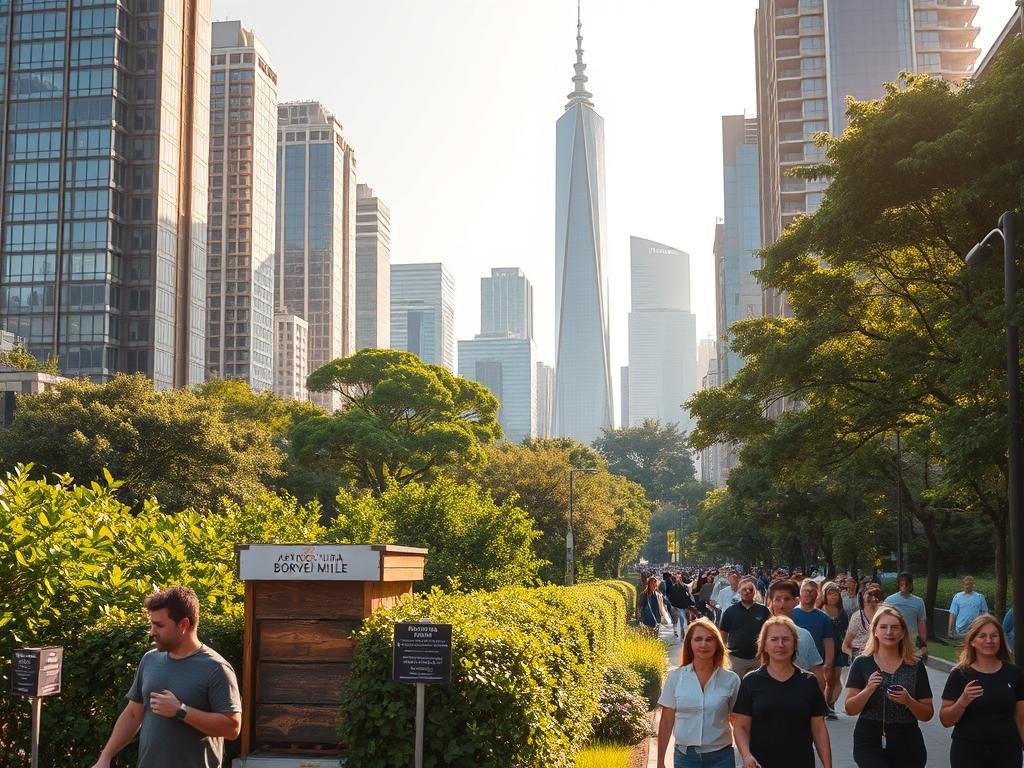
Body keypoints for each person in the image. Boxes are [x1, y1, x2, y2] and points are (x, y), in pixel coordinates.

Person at [91, 586, 242, 768]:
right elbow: (132, 714)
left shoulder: (216, 669)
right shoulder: (150, 660)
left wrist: (181, 711)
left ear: (184, 625)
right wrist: (105, 757)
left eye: (159, 625)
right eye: (152, 624)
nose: (152, 632)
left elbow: (232, 728)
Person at [732, 616, 832, 768]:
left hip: (801, 763)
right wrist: (746, 756)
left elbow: (818, 729)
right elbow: (741, 727)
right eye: (774, 639)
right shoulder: (751, 681)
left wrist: (827, 765)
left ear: (794, 644)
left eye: (786, 639)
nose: (780, 644)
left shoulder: (808, 681)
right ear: (764, 645)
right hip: (760, 764)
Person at [844, 605, 933, 768]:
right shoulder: (862, 663)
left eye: (894, 627)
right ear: (875, 631)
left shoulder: (915, 666)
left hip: (907, 737)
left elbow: (927, 714)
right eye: (883, 627)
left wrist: (908, 701)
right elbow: (850, 708)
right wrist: (868, 689)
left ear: (903, 632)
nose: (889, 632)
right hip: (870, 736)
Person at [940, 614, 1024, 767]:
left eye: (994, 636)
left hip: (1007, 752)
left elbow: (1021, 718)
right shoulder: (960, 674)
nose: (989, 641)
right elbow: (946, 720)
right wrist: (963, 701)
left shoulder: (1014, 674)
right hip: (968, 752)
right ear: (972, 641)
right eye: (982, 636)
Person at [656, 618, 740, 768]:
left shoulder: (731, 680)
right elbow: (667, 721)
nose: (703, 644)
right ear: (690, 643)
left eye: (709, 639)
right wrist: (660, 762)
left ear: (717, 644)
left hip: (721, 757)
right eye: (698, 639)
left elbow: (738, 722)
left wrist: (745, 755)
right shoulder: (675, 678)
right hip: (686, 758)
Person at [766, 579, 823, 674]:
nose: (782, 605)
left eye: (787, 599)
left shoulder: (805, 635)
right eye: (778, 599)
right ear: (770, 602)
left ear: (796, 601)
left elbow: (817, 673)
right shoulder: (762, 633)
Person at [720, 577, 770, 681]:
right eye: (744, 589)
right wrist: (722, 653)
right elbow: (723, 634)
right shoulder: (730, 612)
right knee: (736, 689)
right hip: (736, 659)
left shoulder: (763, 610)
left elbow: (770, 632)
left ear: (755, 592)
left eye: (751, 590)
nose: (748, 592)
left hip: (758, 658)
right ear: (739, 591)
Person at [819, 581, 849, 719]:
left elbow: (847, 631)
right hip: (823, 650)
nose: (833, 596)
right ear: (825, 595)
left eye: (835, 593)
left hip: (839, 649)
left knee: (835, 680)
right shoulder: (820, 611)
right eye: (830, 594)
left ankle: (830, 706)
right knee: (826, 680)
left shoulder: (842, 613)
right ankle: (823, 705)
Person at [884, 572, 928, 659]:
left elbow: (921, 623)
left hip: (911, 640)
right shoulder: (889, 600)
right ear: (898, 585)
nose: (904, 586)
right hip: (894, 638)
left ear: (911, 585)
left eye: (906, 584)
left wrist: (923, 643)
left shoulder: (918, 602)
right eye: (902, 584)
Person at [844, 585, 884, 660]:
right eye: (869, 595)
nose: (873, 599)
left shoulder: (885, 616)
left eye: (876, 596)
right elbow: (845, 646)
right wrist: (854, 657)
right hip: (860, 655)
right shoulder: (857, 617)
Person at [667, 572, 695, 639]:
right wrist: (674, 606)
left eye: (680, 577)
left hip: (685, 606)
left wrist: (691, 603)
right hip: (680, 607)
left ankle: (684, 636)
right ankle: (683, 636)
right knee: (683, 621)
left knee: (685, 621)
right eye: (678, 577)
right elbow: (671, 597)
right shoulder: (674, 587)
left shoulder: (684, 586)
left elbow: (687, 596)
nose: (679, 578)